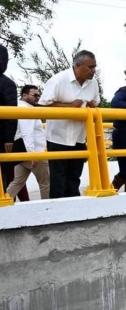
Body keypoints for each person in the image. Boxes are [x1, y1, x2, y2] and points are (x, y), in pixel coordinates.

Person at [38, 50, 100, 198]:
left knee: (74, 177)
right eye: (90, 67)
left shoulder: (93, 83)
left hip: (80, 136)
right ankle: (57, 211)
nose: (93, 71)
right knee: (58, 178)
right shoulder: (58, 80)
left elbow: (96, 104)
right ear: (77, 65)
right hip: (58, 136)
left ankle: (74, 208)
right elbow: (42, 107)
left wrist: (92, 108)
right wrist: (69, 107)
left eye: (94, 67)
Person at [6, 85, 49, 200]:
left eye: (38, 95)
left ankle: (4, 202)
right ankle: (48, 209)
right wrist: (32, 155)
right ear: (24, 95)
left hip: (22, 152)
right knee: (45, 183)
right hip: (35, 153)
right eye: (34, 95)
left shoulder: (16, 106)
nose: (37, 98)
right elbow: (27, 133)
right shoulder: (27, 109)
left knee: (17, 182)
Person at [0, 44, 18, 194]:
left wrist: (9, 139)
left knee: (2, 173)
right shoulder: (7, 83)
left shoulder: (7, 84)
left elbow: (11, 114)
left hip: (1, 137)